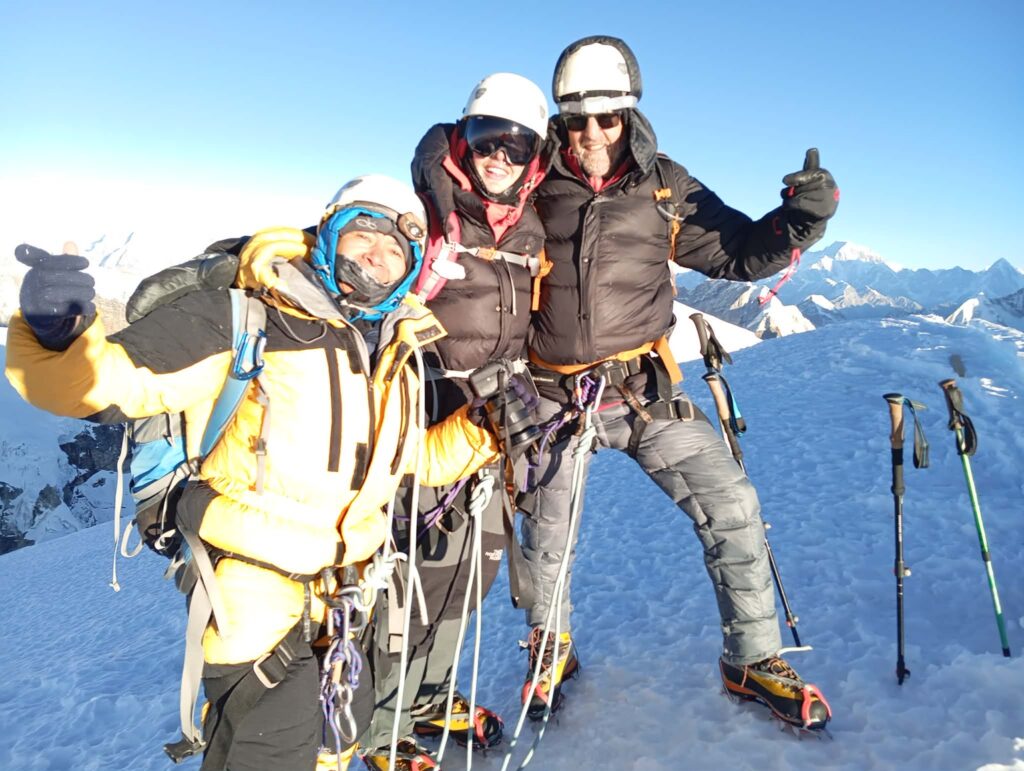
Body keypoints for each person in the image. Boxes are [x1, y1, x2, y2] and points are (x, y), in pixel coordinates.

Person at [4, 174, 501, 771]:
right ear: (328, 231)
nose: (379, 253)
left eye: (398, 248)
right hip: (249, 589)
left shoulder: (391, 349)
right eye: (365, 231)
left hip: (347, 593)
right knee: (275, 747)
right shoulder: (247, 317)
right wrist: (56, 333)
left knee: (339, 735)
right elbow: (106, 384)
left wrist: (485, 429)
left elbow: (400, 462)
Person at [517, 35, 840, 731]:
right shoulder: (530, 182)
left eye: (607, 117)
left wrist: (799, 222)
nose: (593, 133)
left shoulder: (665, 185)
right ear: (559, 120)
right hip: (550, 393)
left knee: (732, 506)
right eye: (577, 119)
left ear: (629, 115)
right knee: (546, 534)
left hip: (644, 387)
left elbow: (735, 252)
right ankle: (551, 648)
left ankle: (752, 657)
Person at [360, 72, 550, 771]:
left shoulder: (529, 223)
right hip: (431, 412)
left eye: (515, 143)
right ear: (460, 139)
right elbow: (354, 256)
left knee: (472, 570)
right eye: (483, 137)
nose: (498, 155)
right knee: (418, 579)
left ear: (534, 154)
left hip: (497, 423)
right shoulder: (423, 211)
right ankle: (383, 728)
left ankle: (431, 695)